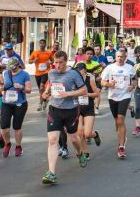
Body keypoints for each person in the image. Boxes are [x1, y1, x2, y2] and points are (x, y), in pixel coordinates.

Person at [42, 51, 88, 184]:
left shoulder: (73, 73)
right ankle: (51, 173)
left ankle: (79, 153)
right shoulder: (52, 72)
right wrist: (46, 93)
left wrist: (67, 93)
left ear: (66, 61)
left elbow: (83, 91)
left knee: (73, 138)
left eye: (60, 62)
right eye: (55, 62)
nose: (57, 65)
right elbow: (50, 85)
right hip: (54, 109)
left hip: (71, 110)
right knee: (52, 140)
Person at [100, 49, 136, 158]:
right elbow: (102, 82)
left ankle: (121, 147)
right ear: (116, 57)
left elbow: (134, 79)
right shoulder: (109, 68)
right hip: (113, 97)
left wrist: (132, 86)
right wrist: (108, 84)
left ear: (125, 57)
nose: (120, 58)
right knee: (117, 122)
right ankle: (121, 138)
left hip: (125, 96)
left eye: (122, 57)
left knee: (121, 119)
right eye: (118, 56)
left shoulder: (130, 68)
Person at [0, 57, 32, 157]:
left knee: (17, 127)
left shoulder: (25, 74)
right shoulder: (5, 73)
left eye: (13, 68)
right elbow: (2, 85)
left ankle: (18, 146)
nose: (12, 70)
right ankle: (7, 144)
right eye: (10, 68)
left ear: (18, 65)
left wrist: (21, 87)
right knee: (4, 127)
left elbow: (29, 90)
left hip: (20, 104)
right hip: (6, 102)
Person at [74, 62, 101, 160]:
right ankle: (85, 152)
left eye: (80, 69)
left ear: (84, 70)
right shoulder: (74, 80)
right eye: (76, 70)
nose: (78, 72)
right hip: (78, 108)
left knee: (88, 133)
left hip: (88, 107)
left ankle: (95, 134)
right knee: (80, 132)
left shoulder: (90, 79)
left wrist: (87, 95)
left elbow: (97, 94)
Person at [28, 39, 54, 111]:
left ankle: (40, 104)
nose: (42, 44)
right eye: (41, 43)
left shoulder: (48, 53)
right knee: (40, 89)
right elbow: (29, 61)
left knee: (42, 86)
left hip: (46, 72)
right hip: (37, 73)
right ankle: (45, 100)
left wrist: (50, 63)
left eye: (43, 43)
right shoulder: (35, 52)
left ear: (45, 44)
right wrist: (34, 60)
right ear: (39, 44)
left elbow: (53, 60)